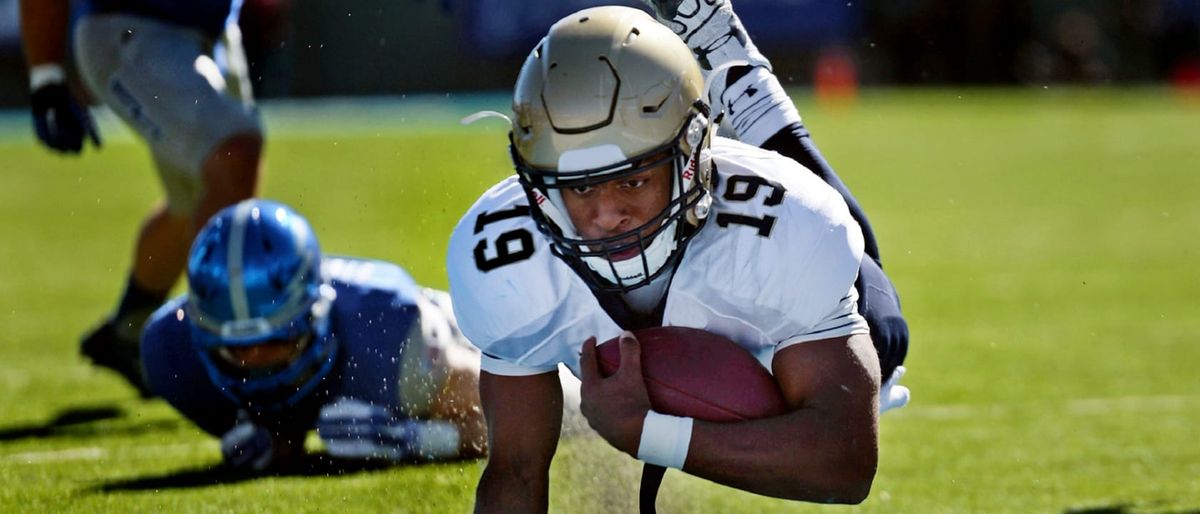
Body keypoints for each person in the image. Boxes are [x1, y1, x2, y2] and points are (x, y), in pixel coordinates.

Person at [446, 3, 910, 512]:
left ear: (691, 155)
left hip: (760, 243)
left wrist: (647, 433)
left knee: (881, 329)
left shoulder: (790, 226)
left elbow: (843, 465)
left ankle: (743, 82)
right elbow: (514, 469)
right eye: (579, 189)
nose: (607, 215)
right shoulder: (504, 260)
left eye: (633, 180)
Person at [19, 0, 263, 396]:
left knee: (198, 202)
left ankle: (130, 329)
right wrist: (46, 77)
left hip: (213, 33)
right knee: (233, 157)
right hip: (133, 28)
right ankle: (227, 361)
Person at [141, 199, 486, 470]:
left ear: (316, 314)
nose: (257, 365)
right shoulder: (171, 350)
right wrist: (277, 439)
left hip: (464, 329)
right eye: (237, 351)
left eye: (276, 342)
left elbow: (502, 420)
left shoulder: (389, 333)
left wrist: (416, 439)